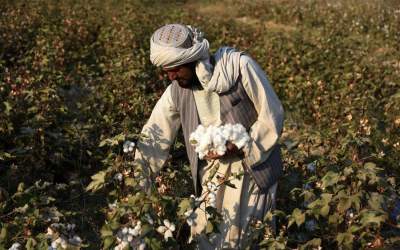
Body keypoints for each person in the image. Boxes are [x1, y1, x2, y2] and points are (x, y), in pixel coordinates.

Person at [134, 23, 284, 249]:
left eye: (176, 68)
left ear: (193, 59)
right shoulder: (176, 92)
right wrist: (136, 184)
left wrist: (244, 145)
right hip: (212, 177)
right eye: (166, 71)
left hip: (254, 171)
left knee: (245, 240)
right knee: (204, 237)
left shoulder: (237, 67)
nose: (172, 76)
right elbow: (154, 136)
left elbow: (272, 114)